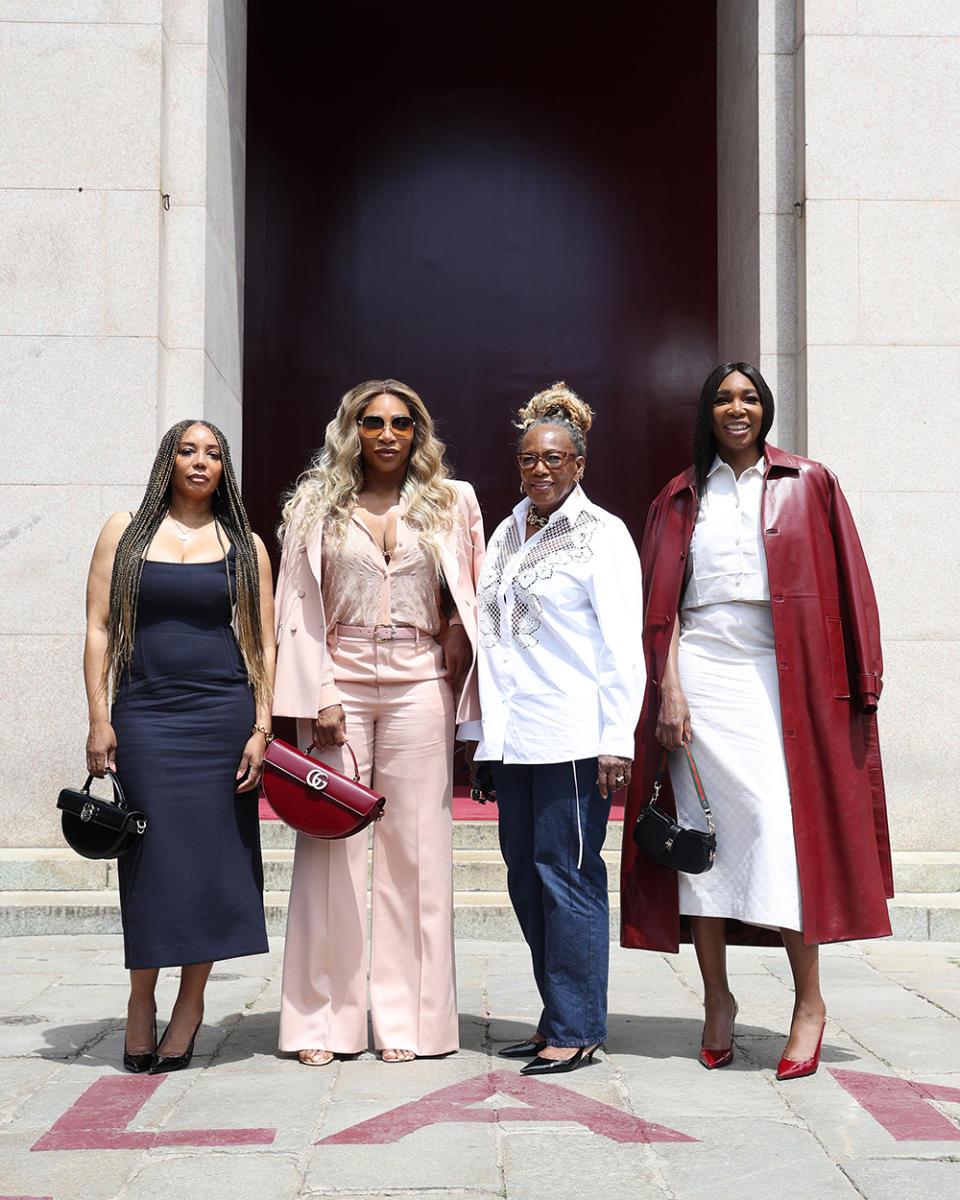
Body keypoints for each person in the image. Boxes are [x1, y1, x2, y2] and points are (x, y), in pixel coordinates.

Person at [620, 362, 892, 1080]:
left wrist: (864, 681)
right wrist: (669, 691)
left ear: (764, 409)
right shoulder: (680, 496)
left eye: (748, 398)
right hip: (703, 675)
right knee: (702, 844)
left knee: (779, 832)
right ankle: (718, 1002)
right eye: (722, 399)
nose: (735, 409)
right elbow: (662, 609)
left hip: (784, 680)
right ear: (707, 412)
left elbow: (853, 583)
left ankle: (810, 1003)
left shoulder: (810, 483)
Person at [274, 378, 483, 1066]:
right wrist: (317, 693)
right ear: (352, 429)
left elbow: (476, 592)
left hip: (420, 676)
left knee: (416, 852)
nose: (387, 433)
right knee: (330, 850)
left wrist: (453, 623)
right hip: (339, 676)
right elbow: (295, 605)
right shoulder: (315, 504)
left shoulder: (453, 503)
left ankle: (411, 1024)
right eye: (373, 422)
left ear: (417, 432)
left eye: (400, 422)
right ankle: (321, 1025)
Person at [463, 382, 645, 1075]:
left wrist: (616, 739)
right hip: (514, 738)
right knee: (524, 880)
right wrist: (483, 737)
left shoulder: (603, 536)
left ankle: (577, 1026)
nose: (541, 470)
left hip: (574, 737)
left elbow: (623, 648)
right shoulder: (507, 531)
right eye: (530, 459)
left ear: (579, 465)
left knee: (566, 877)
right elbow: (492, 641)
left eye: (556, 459)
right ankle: (554, 1016)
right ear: (519, 463)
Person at [84, 420, 275, 1074]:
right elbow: (99, 627)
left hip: (221, 714)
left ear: (224, 468)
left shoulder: (244, 544)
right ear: (168, 460)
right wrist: (98, 717)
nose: (201, 461)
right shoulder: (125, 531)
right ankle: (142, 1000)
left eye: (213, 453)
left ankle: (189, 1007)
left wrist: (262, 725)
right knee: (150, 860)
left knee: (211, 862)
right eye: (188, 450)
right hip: (144, 712)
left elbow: (264, 642)